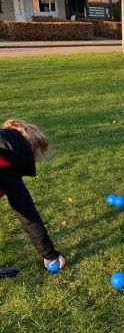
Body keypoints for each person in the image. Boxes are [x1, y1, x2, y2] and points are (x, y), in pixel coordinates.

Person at [0, 118, 65, 276]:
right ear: (26, 152)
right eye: (33, 159)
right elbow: (27, 214)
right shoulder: (6, 165)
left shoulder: (4, 149)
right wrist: (50, 254)